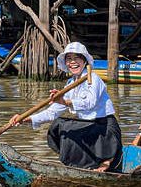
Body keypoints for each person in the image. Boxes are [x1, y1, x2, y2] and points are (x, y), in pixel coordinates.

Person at [8, 42, 122, 172]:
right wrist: (25, 119)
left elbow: (90, 102)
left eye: (76, 58)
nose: (72, 62)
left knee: (66, 125)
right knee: (58, 126)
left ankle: (106, 161)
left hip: (105, 129)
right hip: (89, 128)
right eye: (69, 58)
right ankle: (81, 164)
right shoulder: (70, 84)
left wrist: (64, 102)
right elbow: (52, 112)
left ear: (84, 61)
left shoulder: (93, 79)